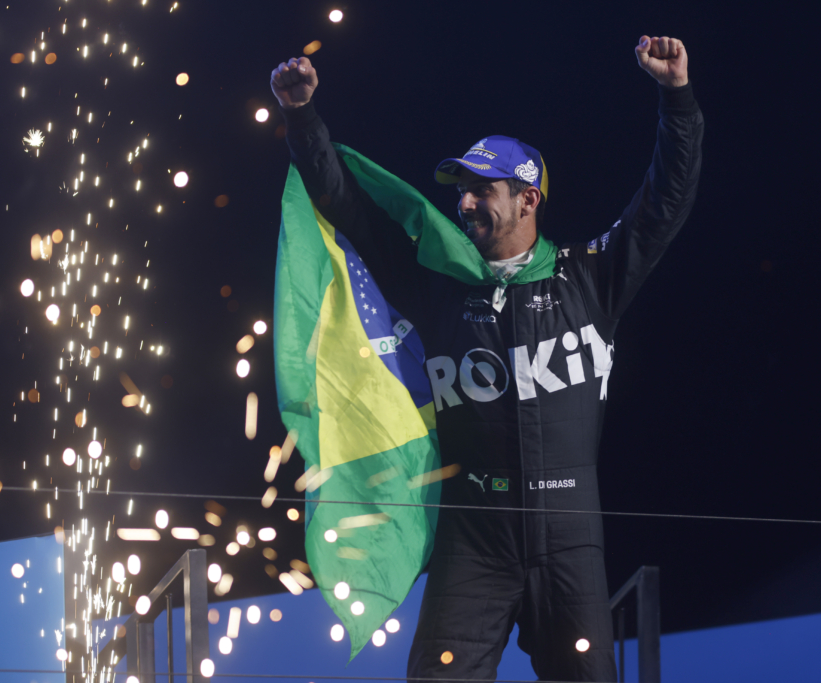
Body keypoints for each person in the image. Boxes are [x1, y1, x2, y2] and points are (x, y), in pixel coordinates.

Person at [271, 34, 703, 682]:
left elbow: (665, 200)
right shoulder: (439, 286)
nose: (465, 202)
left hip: (569, 539)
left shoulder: (590, 278)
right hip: (473, 540)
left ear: (528, 198)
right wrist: (302, 118)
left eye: (483, 189)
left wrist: (677, 97)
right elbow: (351, 210)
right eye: (463, 190)